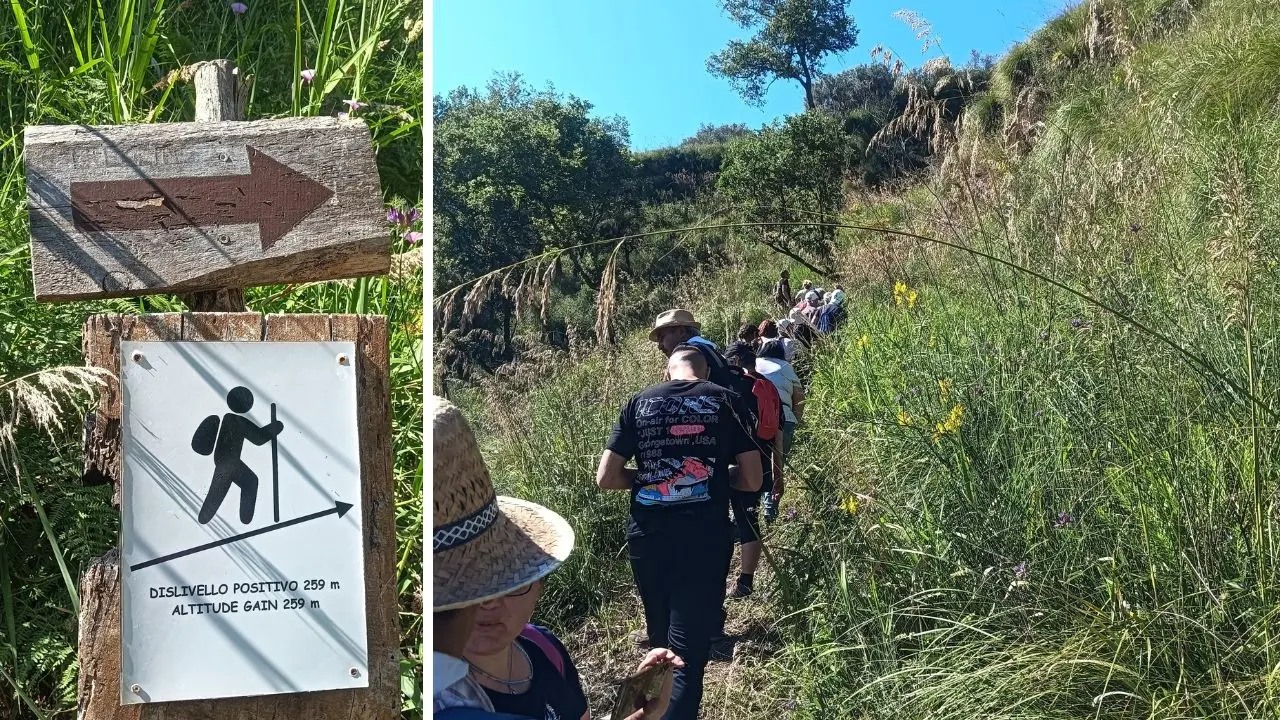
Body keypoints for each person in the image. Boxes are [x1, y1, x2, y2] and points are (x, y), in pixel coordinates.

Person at [435, 397, 678, 719]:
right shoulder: (448, 703)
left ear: (539, 583)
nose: (488, 603)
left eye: (507, 583)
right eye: (468, 588)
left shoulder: (543, 648)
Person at [596, 346, 763, 720]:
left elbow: (605, 478)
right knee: (688, 650)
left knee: (660, 645)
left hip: (646, 537)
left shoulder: (638, 402)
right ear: (704, 374)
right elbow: (752, 480)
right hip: (703, 540)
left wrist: (657, 481)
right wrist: (709, 476)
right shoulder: (729, 400)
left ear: (667, 373)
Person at [722, 341, 783, 599]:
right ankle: (745, 582)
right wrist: (779, 475)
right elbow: (777, 435)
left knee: (719, 525)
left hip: (726, 466)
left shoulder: (724, 388)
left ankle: (714, 581)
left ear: (733, 361)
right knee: (750, 522)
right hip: (761, 465)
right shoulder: (767, 388)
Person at [755, 342, 805, 523]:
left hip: (757, 417)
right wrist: (795, 420)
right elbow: (799, 397)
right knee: (778, 463)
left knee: (757, 462)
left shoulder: (754, 363)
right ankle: (771, 509)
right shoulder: (786, 367)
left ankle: (751, 508)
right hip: (785, 417)